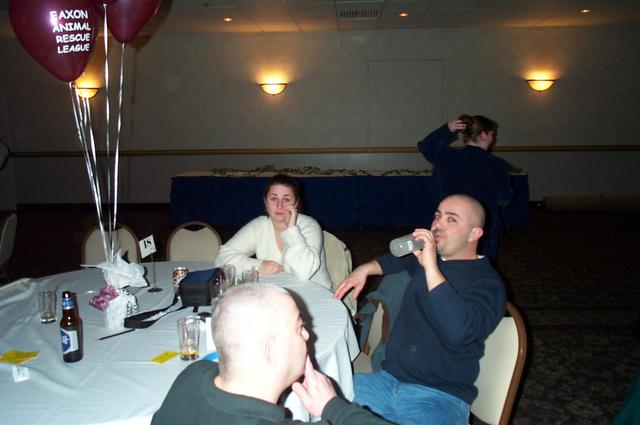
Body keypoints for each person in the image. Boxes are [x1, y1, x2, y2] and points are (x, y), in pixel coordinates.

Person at [334, 194, 507, 425]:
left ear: (474, 234)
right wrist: (365, 269)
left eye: (451, 219)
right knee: (322, 408)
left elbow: (460, 330)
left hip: (439, 397)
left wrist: (431, 267)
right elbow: (396, 260)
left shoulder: (487, 283)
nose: (437, 224)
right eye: (437, 216)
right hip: (386, 381)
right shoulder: (429, 260)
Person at [151, 283, 392, 425]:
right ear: (271, 350)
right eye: (299, 328)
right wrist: (333, 407)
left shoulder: (192, 375)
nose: (307, 335)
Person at [418, 115, 513, 259]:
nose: (493, 139)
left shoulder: (447, 156)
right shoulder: (496, 164)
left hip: (449, 223)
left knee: (446, 264)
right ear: (483, 135)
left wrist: (449, 128)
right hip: (482, 226)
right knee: (480, 267)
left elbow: (426, 145)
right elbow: (504, 199)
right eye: (492, 134)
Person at [214, 174, 332, 289]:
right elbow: (221, 258)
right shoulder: (259, 225)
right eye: (274, 198)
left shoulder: (310, 225)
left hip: (315, 293)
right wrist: (259, 266)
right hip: (275, 293)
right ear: (266, 202)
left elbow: (304, 272)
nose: (280, 205)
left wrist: (291, 229)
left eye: (286, 199)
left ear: (296, 204)